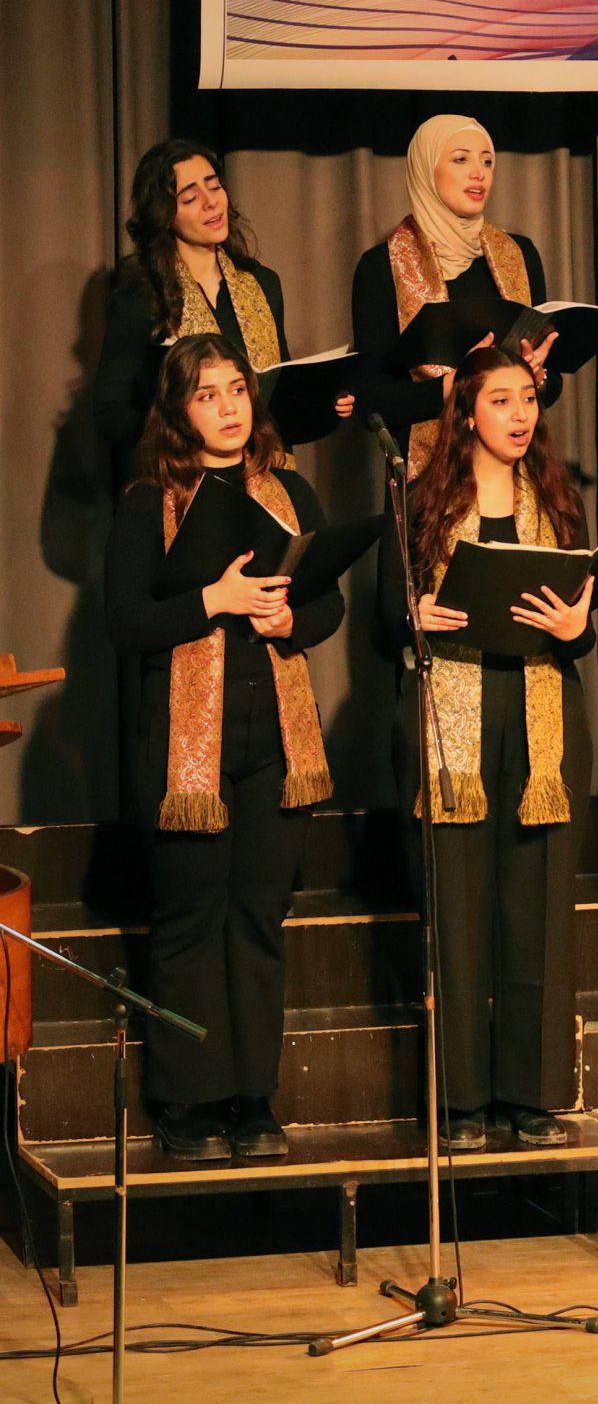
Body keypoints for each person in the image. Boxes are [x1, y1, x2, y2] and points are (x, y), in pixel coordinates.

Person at [106, 337, 344, 1161]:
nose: (229, 407)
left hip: (273, 739)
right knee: (190, 921)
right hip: (186, 749)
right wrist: (215, 597)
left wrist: (289, 618)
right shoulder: (149, 501)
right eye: (207, 394)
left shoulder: (289, 490)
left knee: (258, 920)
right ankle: (189, 1100)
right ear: (178, 412)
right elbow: (125, 622)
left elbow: (329, 603)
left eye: (237, 389)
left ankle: (252, 1098)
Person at [380, 346, 590, 1150]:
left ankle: (529, 1094)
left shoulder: (557, 499)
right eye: (501, 399)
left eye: (527, 398)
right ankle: (461, 1098)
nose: (520, 413)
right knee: (459, 911)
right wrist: (413, 617)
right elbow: (383, 618)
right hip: (454, 716)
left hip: (541, 715)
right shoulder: (423, 501)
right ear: (466, 412)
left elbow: (581, 617)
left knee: (538, 907)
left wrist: (578, 627)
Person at [96, 140, 351, 486]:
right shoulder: (142, 297)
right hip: (186, 485)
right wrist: (178, 429)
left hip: (267, 479)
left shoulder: (261, 283)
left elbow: (276, 399)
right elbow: (109, 413)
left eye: (214, 186)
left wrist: (324, 405)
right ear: (164, 215)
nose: (211, 202)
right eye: (190, 198)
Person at [353, 114, 560, 479]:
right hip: (429, 484)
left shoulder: (520, 255)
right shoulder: (381, 267)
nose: (479, 173)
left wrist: (538, 378)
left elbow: (551, 385)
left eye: (487, 161)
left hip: (516, 475)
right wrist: (455, 386)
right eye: (461, 159)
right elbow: (372, 403)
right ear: (426, 170)